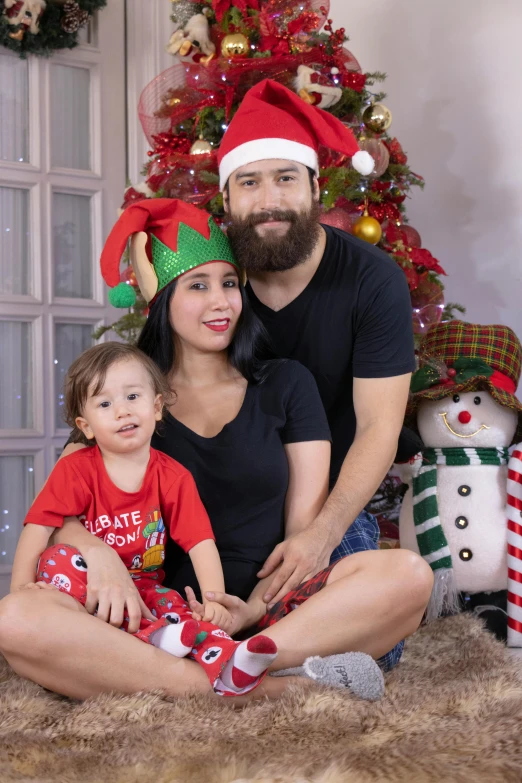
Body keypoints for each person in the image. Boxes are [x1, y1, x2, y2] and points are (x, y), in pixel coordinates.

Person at [0, 199, 432, 702]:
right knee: (17, 620)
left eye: (229, 283)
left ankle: (217, 669)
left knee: (407, 575)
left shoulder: (286, 383)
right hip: (155, 619)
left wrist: (252, 607)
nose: (221, 301)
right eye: (198, 286)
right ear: (162, 300)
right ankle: (258, 687)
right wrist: (99, 556)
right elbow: (62, 504)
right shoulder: (131, 399)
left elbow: (301, 535)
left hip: (269, 613)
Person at [218, 79, 421, 617]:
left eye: (286, 178)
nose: (269, 202)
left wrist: (321, 535)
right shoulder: (209, 283)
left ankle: (252, 655)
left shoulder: (372, 280)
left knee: (386, 610)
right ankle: (263, 654)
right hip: (229, 493)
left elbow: (379, 426)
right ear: (226, 198)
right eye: (249, 182)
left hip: (331, 499)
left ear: (314, 188)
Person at [10, 341, 278, 696]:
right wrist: (20, 587)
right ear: (86, 426)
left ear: (156, 408)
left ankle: (230, 661)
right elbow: (39, 526)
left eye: (132, 398)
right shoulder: (76, 469)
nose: (122, 411)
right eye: (105, 404)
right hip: (83, 587)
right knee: (62, 558)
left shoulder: (172, 476)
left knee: (178, 608)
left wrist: (214, 600)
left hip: (141, 587)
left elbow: (200, 542)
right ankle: (159, 640)